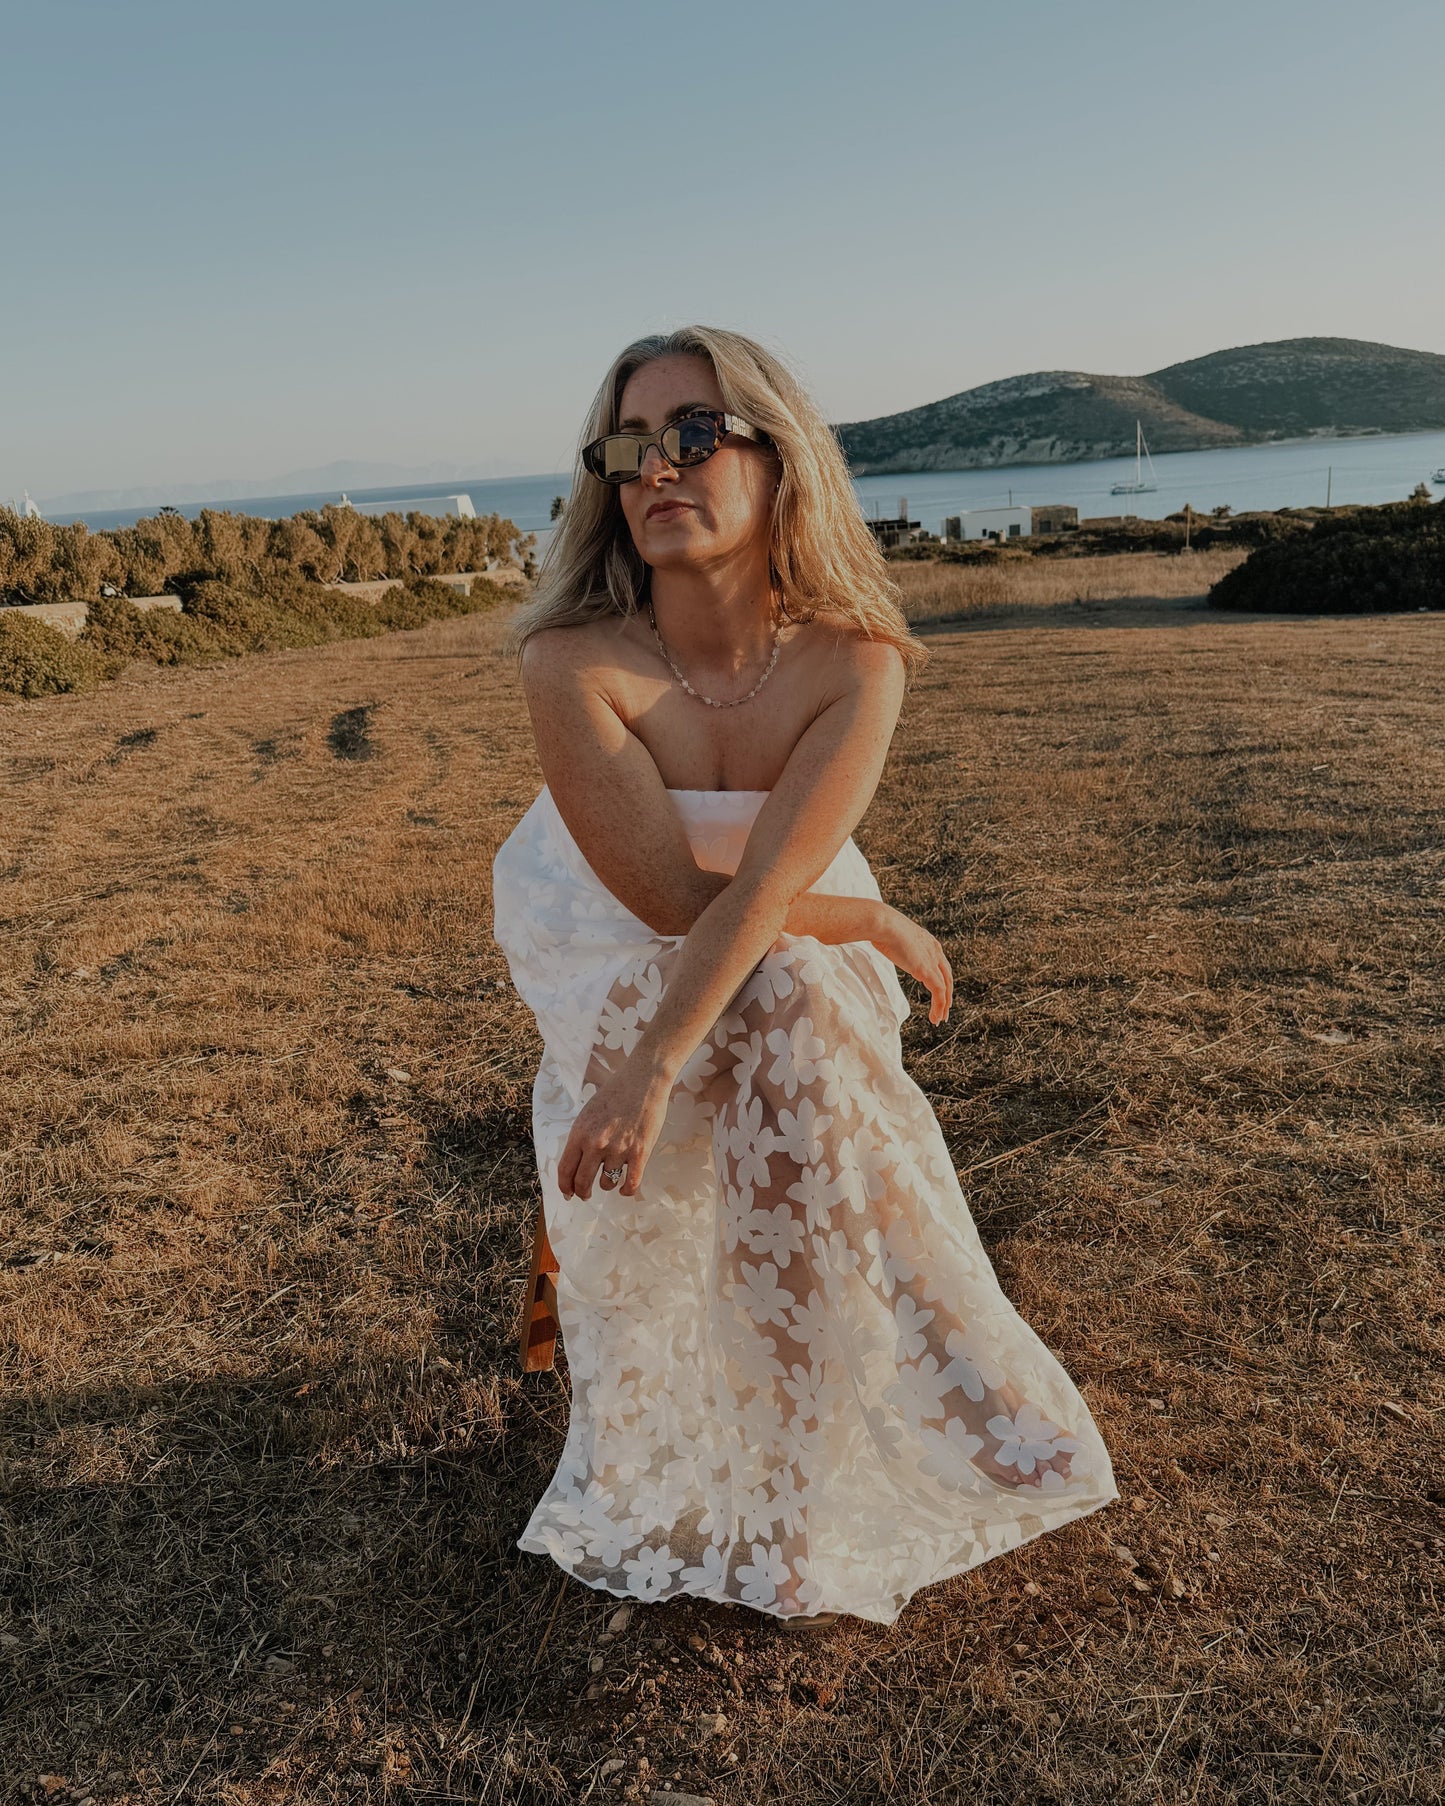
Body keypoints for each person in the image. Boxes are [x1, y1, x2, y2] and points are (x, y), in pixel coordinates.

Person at [491, 325, 1119, 1629]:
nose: (657, 467)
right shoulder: (572, 660)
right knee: (787, 987)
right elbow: (666, 900)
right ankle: (761, 1459)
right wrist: (858, 922)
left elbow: (763, 896)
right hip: (606, 933)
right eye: (628, 447)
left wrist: (807, 927)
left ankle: (791, 1473)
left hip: (773, 931)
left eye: (694, 435)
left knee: (786, 1006)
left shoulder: (855, 662)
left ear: (783, 461)